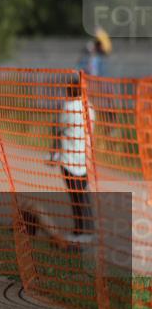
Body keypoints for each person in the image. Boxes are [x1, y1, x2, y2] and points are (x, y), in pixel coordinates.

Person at [49, 77, 96, 243]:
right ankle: (87, 231)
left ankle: (79, 232)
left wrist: (52, 154)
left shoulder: (68, 107)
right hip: (84, 160)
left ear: (70, 89)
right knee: (83, 195)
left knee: (75, 198)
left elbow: (57, 129)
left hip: (69, 160)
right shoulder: (89, 108)